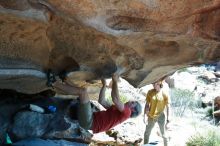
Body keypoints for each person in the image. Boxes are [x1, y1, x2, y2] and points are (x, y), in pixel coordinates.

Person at [49, 73, 142, 134]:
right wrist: (104, 86)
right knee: (83, 91)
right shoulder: (117, 112)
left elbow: (116, 99)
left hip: (89, 122)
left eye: (133, 103)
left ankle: (53, 82)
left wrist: (115, 81)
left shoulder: (127, 113)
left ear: (133, 109)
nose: (130, 101)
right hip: (90, 119)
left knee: (83, 93)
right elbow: (101, 101)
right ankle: (65, 79)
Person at [143, 80, 171, 146]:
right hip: (151, 116)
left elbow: (168, 106)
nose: (153, 85)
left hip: (161, 116)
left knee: (163, 134)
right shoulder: (150, 92)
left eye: (154, 84)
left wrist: (168, 118)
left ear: (159, 84)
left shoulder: (165, 93)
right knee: (147, 133)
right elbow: (147, 104)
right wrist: (144, 114)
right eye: (153, 84)